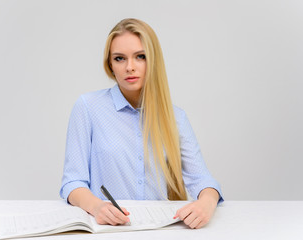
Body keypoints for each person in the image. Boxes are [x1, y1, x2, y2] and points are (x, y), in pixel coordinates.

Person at [60, 18, 223, 229]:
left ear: (153, 60)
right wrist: (97, 206)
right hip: (108, 230)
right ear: (110, 64)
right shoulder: (88, 108)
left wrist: (207, 203)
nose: (130, 67)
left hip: (160, 230)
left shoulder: (176, 118)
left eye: (140, 57)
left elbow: (203, 180)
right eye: (119, 58)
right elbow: (72, 182)